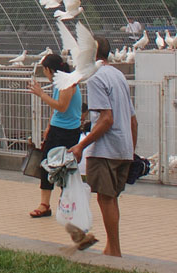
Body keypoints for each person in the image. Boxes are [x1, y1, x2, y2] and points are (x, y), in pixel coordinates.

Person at [70, 36, 137, 257]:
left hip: (105, 150)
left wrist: (81, 146)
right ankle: (112, 247)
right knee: (111, 198)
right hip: (123, 148)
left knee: (105, 198)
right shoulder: (118, 74)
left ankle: (114, 250)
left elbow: (106, 119)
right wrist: (130, 150)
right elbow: (132, 119)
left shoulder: (95, 77)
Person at [28, 53, 82, 218]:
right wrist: (49, 126)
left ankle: (61, 202)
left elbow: (62, 106)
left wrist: (41, 94)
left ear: (48, 69)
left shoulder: (66, 84)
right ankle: (47, 203)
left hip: (66, 131)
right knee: (48, 165)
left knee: (62, 167)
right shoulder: (61, 82)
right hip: (59, 128)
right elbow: (57, 110)